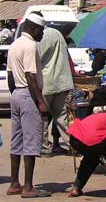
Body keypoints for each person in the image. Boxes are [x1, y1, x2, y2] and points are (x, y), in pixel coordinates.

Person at [6, 13, 51, 198]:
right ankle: (28, 187)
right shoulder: (30, 46)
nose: (42, 34)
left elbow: (10, 75)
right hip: (28, 94)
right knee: (31, 142)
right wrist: (40, 102)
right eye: (41, 30)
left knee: (16, 141)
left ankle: (14, 183)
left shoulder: (14, 44)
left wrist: (16, 95)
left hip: (16, 94)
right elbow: (30, 76)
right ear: (33, 28)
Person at [38, 27, 74, 156]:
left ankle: (44, 146)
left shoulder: (43, 36)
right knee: (62, 117)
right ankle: (72, 145)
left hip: (47, 82)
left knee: (43, 117)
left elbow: (38, 58)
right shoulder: (57, 34)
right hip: (62, 81)